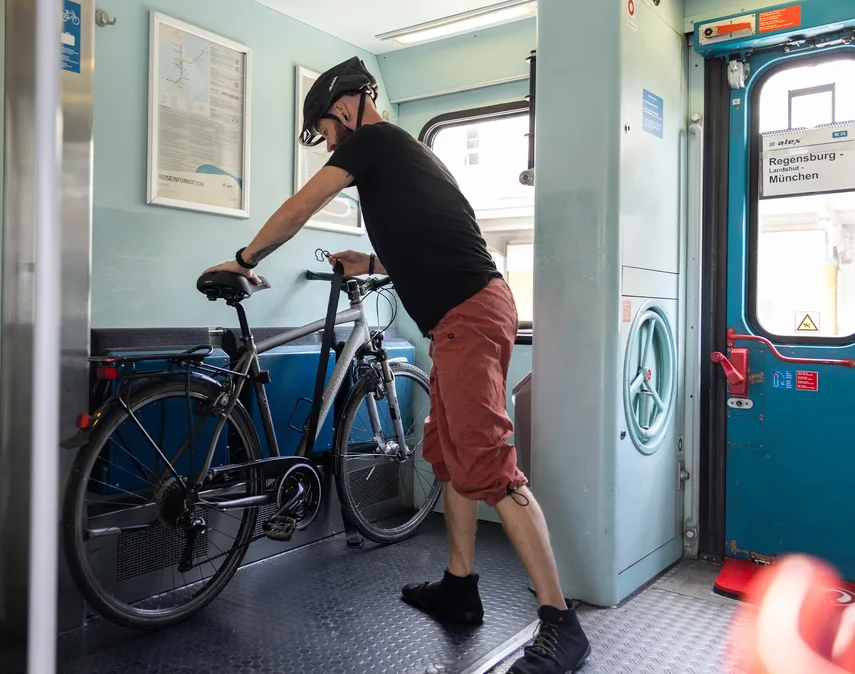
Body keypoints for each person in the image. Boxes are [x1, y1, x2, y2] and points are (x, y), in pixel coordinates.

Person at [201, 56, 591, 674]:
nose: (329, 144)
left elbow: (303, 205)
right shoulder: (404, 157)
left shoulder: (377, 140)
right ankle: (461, 587)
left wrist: (243, 257)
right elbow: (437, 241)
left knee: (488, 463)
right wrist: (375, 264)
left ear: (353, 105)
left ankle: (560, 623)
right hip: (462, 316)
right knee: (450, 453)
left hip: (470, 314)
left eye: (328, 130)